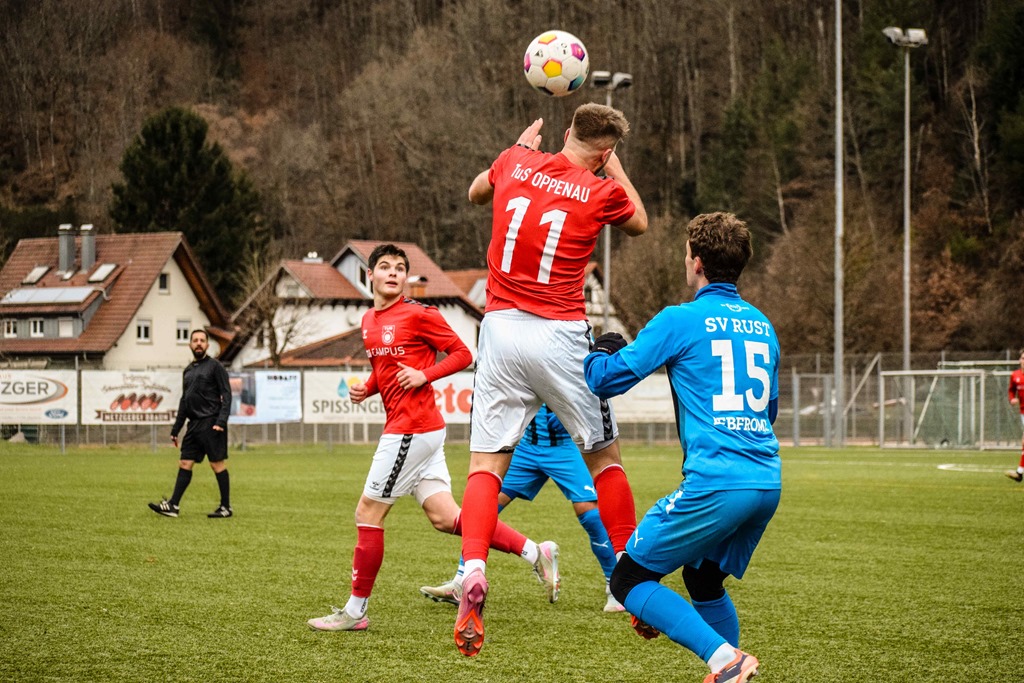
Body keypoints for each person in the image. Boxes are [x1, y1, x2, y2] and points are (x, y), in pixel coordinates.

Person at [455, 103, 648, 656]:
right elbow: (638, 220)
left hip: (499, 329)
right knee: (605, 459)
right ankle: (632, 582)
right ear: (605, 150)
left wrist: (516, 151)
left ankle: (473, 567)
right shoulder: (602, 187)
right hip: (560, 333)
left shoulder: (516, 159)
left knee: (486, 464)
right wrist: (612, 169)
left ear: (566, 132)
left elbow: (475, 193)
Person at [307, 244, 558, 633]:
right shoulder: (369, 320)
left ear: (406, 277)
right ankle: (535, 552)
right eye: (385, 267)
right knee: (447, 518)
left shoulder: (419, 314)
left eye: (400, 268)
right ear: (368, 276)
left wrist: (426, 376)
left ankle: (355, 612)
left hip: (410, 429)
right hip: (420, 431)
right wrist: (369, 388)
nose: (393, 273)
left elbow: (462, 353)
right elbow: (386, 367)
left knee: (367, 513)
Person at [584, 212, 780, 683]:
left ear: (695, 262)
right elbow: (768, 411)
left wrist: (603, 347)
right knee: (702, 578)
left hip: (717, 483)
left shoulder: (680, 319)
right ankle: (732, 668)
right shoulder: (762, 325)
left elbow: (605, 381)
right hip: (766, 480)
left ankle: (725, 661)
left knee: (628, 579)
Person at [420, 405, 623, 612]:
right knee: (481, 509)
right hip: (524, 449)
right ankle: (462, 581)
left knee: (590, 513)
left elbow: (588, 387)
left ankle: (616, 588)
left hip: (563, 448)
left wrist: (571, 412)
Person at [148, 329, 233, 519]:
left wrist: (221, 420)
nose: (199, 343)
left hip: (212, 423)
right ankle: (173, 506)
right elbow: (185, 400)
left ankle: (226, 507)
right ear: (190, 344)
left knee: (216, 465)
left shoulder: (215, 366)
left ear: (207, 345)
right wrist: (176, 428)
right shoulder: (188, 371)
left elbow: (226, 395)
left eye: (202, 340)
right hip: (193, 425)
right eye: (195, 340)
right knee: (185, 462)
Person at [1005, 348, 1024, 482]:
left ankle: (1019, 472)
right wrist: (1012, 399)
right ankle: (1020, 472)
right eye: (1022, 358)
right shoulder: (1015, 375)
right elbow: (1011, 390)